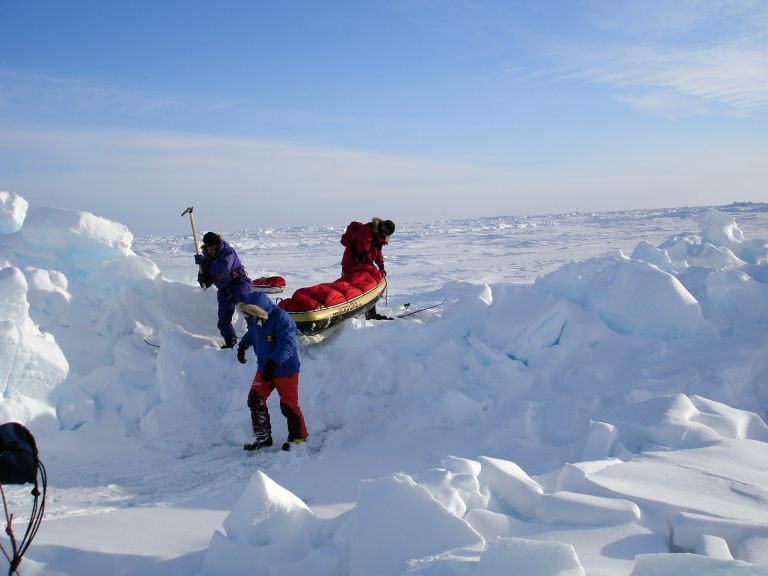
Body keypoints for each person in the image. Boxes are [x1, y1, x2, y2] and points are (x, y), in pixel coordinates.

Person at [237, 292, 308, 451]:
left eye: (253, 313)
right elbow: (252, 333)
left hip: (285, 369)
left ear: (261, 310)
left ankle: (298, 438)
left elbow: (287, 345)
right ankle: (263, 436)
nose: (251, 316)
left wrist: (273, 364)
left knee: (288, 405)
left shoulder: (282, 319)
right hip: (264, 367)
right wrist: (243, 346)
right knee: (255, 399)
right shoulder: (255, 318)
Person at [195, 232, 252, 348]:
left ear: (217, 243)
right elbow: (208, 276)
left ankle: (257, 336)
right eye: (208, 246)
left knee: (248, 312)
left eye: (212, 245)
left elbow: (223, 269)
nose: (210, 248)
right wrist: (203, 279)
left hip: (239, 284)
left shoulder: (227, 251)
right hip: (224, 291)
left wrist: (204, 262)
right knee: (223, 322)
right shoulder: (207, 257)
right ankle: (231, 342)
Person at [340, 217, 395, 320]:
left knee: (368, 287)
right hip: (351, 262)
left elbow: (378, 252)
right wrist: (366, 259)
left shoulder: (378, 236)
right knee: (349, 288)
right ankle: (348, 314)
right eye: (383, 233)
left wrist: (381, 266)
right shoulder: (368, 230)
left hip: (363, 263)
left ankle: (370, 313)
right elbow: (363, 245)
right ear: (381, 229)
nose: (384, 235)